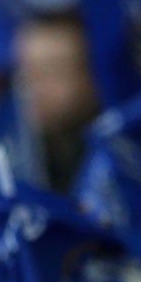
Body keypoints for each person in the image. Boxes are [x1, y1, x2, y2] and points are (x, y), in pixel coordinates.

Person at [15, 12, 101, 195]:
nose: (33, 87)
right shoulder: (13, 161)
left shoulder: (117, 163)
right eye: (27, 72)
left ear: (91, 78)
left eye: (53, 71)